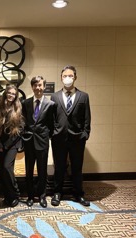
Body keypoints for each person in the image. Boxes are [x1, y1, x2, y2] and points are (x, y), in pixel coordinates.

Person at [50, 65, 91, 207]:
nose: (68, 78)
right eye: (65, 76)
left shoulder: (83, 96)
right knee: (59, 167)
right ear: (61, 78)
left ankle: (78, 194)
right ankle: (57, 193)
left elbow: (87, 117)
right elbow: (52, 117)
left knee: (77, 167)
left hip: (77, 139)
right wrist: (52, 133)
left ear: (75, 77)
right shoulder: (54, 96)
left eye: (70, 76)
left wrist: (85, 134)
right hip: (59, 138)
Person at [22, 76, 55, 208]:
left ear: (44, 87)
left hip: (42, 142)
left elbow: (51, 124)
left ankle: (42, 196)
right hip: (29, 141)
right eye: (35, 85)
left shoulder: (50, 104)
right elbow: (23, 122)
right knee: (29, 170)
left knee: (42, 171)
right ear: (32, 87)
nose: (38, 88)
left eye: (40, 85)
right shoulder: (26, 103)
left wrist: (47, 137)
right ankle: (30, 196)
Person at [0, 84, 24, 207]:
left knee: (7, 167)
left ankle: (15, 193)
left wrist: (6, 145)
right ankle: (7, 196)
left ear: (16, 96)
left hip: (12, 144)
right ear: (5, 94)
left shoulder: (18, 109)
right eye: (9, 93)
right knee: (2, 171)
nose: (11, 95)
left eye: (13, 94)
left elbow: (20, 129)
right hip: (0, 144)